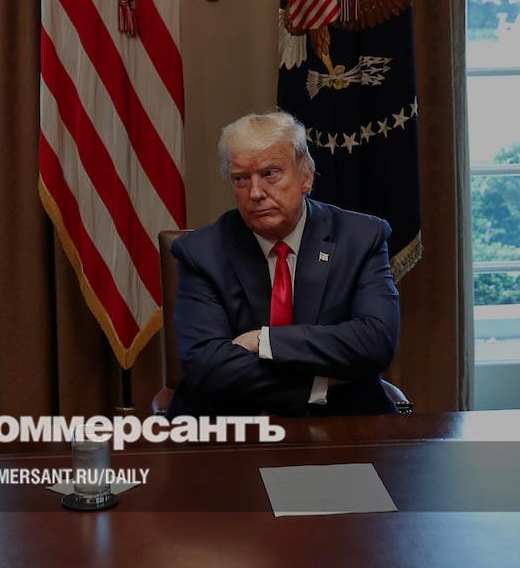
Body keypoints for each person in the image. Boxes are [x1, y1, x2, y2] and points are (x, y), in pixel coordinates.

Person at [166, 111, 399, 417]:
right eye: (240, 179)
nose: (255, 193)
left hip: (344, 420)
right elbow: (206, 366)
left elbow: (376, 342)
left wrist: (263, 340)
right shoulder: (201, 252)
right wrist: (318, 384)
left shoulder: (360, 238)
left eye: (270, 173)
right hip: (233, 422)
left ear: (306, 176)